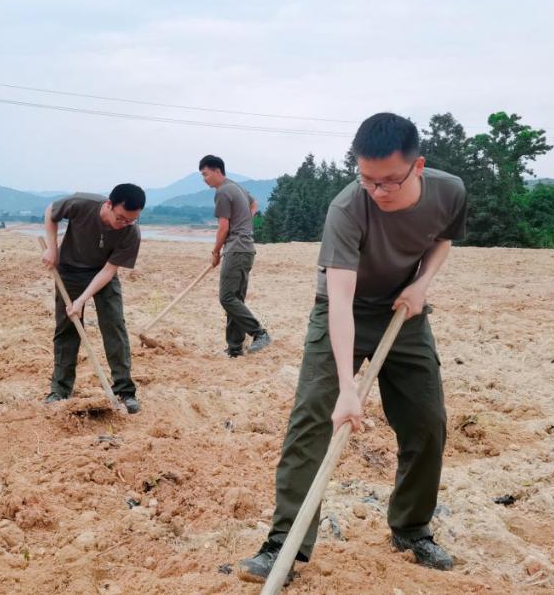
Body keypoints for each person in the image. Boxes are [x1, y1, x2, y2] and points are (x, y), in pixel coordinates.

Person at [237, 112, 467, 582]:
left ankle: (412, 528)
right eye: (367, 179)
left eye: (389, 182)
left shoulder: (450, 192)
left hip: (404, 312)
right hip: (342, 309)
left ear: (418, 167)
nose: (377, 192)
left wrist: (422, 284)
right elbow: (340, 299)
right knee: (311, 420)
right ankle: (285, 544)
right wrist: (347, 388)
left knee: (427, 421)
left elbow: (442, 240)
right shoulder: (347, 208)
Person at [40, 183, 146, 414]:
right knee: (66, 329)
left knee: (114, 326)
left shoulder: (130, 232)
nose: (124, 224)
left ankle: (125, 391)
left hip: (102, 276)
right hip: (69, 271)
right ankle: (60, 389)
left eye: (131, 220)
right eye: (121, 218)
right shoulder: (82, 204)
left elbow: (108, 271)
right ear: (109, 205)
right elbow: (51, 211)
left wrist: (81, 300)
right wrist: (52, 248)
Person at [199, 155, 271, 357]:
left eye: (205, 174)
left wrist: (215, 251)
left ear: (217, 171)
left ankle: (260, 333)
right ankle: (235, 348)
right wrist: (245, 223)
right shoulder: (236, 187)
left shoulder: (222, 192)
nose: (204, 179)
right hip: (246, 249)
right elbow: (254, 204)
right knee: (236, 298)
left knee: (227, 297)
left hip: (237, 248)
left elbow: (223, 227)